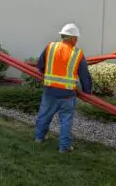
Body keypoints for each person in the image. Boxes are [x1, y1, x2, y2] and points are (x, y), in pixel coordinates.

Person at [34, 23, 92, 153]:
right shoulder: (78, 54)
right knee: (66, 121)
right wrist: (88, 93)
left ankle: (39, 138)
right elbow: (84, 76)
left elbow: (40, 66)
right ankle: (64, 148)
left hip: (50, 91)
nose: (77, 41)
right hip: (67, 94)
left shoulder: (50, 47)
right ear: (72, 38)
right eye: (76, 38)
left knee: (44, 116)